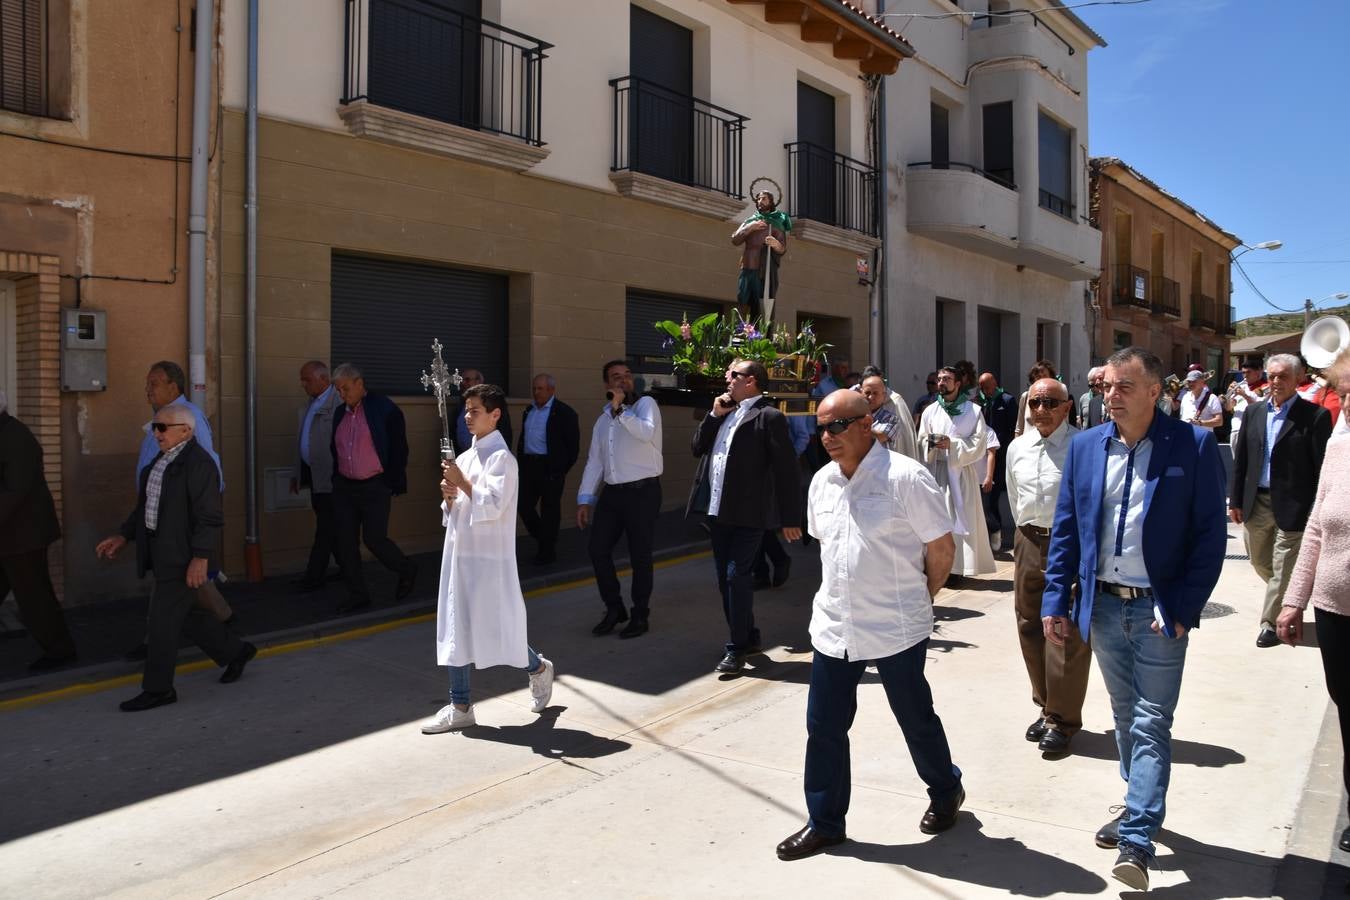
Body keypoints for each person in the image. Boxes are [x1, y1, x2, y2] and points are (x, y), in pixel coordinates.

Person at [1041, 346, 1226, 891]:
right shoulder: (1084, 448)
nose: (1111, 396)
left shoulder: (1192, 445)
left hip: (1158, 611)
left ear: (1155, 392)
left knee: (1151, 721)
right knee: (1125, 715)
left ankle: (1138, 838)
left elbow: (1209, 538)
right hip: (1101, 605)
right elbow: (1067, 528)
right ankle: (1136, 803)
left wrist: (1183, 607)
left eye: (1124, 386)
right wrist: (1056, 600)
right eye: (1106, 387)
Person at [775, 390, 963, 861]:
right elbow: (828, 546)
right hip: (835, 626)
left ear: (865, 424)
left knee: (915, 718)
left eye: (835, 426)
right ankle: (825, 823)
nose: (826, 437)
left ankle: (945, 790)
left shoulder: (906, 477)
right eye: (821, 429)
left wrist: (920, 600)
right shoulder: (822, 483)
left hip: (896, 627)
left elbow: (940, 549)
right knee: (824, 727)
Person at [96, 405, 258, 711]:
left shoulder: (200, 465)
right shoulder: (162, 461)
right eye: (154, 427)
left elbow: (209, 518)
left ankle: (158, 690)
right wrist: (124, 536)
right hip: (162, 553)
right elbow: (145, 509)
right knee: (187, 615)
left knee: (161, 623)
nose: (156, 433)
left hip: (182, 556)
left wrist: (200, 558)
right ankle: (236, 652)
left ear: (186, 431)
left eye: (163, 427)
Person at [422, 384, 554, 733]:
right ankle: (460, 704)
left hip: (488, 558)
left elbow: (494, 506)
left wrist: (461, 483)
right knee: (457, 627)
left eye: (475, 410)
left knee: (498, 626)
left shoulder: (503, 460)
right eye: (466, 410)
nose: (468, 416)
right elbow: (452, 512)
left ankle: (537, 667)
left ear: (495, 414)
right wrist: (448, 496)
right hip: (460, 554)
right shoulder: (464, 458)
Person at [1276, 349, 1350, 852]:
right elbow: (1317, 534)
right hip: (1335, 609)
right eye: (1346, 396)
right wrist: (1292, 601)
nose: (1347, 407)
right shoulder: (1339, 453)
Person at [687, 358, 802, 674]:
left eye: (733, 374)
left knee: (737, 577)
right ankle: (748, 636)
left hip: (750, 514)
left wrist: (791, 518)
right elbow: (697, 447)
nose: (727, 378)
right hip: (717, 511)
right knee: (726, 581)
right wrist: (713, 415)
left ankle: (736, 648)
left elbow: (787, 471)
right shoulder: (722, 412)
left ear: (750, 381)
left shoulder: (769, 417)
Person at [1005, 378, 1087, 757]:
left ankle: (1063, 719)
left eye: (1050, 402)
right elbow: (1014, 494)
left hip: (1067, 543)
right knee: (1028, 624)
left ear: (1067, 407)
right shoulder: (1017, 447)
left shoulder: (1083, 447)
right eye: (1035, 402)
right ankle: (1045, 706)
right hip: (1027, 540)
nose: (1041, 409)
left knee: (1064, 630)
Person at [1228, 353, 1332, 648]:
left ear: (1298, 379)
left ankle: (1270, 624)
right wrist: (1236, 499)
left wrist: (1317, 508)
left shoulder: (1315, 416)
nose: (1275, 382)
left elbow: (1321, 466)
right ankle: (1291, 594)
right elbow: (1243, 461)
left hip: (1295, 505)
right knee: (1261, 562)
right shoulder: (1254, 412)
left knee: (1283, 564)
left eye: (1283, 376)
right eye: (1272, 376)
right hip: (1255, 502)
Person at [137, 361, 231, 626]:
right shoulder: (164, 418)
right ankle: (223, 631)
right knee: (185, 587)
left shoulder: (187, 417)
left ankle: (158, 638)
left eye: (154, 384)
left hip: (178, 520)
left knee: (178, 583)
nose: (148, 390)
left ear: (173, 386)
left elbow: (208, 470)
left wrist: (199, 518)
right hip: (161, 515)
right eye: (147, 384)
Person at [577, 360, 663, 638]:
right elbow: (595, 462)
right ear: (606, 384)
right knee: (597, 549)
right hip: (612, 495)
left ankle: (641, 614)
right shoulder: (602, 421)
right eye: (616, 377)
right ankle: (614, 608)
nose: (623, 380)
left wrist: (622, 409)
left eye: (627, 376)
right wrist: (585, 498)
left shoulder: (645, 405)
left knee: (640, 555)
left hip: (643, 492)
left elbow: (645, 432)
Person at [330, 363, 417, 613]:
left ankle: (407, 569)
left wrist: (392, 481)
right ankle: (358, 595)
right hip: (345, 486)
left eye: (346, 388)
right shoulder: (340, 413)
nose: (342, 394)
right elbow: (335, 448)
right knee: (345, 542)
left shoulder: (384, 409)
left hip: (374, 486)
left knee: (374, 539)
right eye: (338, 390)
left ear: (359, 383)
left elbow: (400, 448)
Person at [0, 390, 78, 671]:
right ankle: (59, 648)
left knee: (34, 597)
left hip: (23, 536)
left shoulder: (15, 436)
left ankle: (60, 651)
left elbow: (15, 490)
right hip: (11, 535)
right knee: (33, 595)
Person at [917, 365, 994, 577]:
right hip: (937, 472)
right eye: (939, 379)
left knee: (961, 519)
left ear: (957, 384)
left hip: (961, 474)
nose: (941, 382)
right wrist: (930, 443)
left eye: (946, 379)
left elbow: (979, 443)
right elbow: (921, 439)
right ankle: (939, 566)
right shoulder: (930, 411)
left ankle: (958, 568)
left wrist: (953, 445)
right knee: (939, 520)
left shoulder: (973, 411)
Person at [291, 360, 344, 592]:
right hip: (314, 476)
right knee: (330, 526)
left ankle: (313, 577)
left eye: (307, 379)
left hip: (331, 479)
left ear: (324, 379)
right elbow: (305, 440)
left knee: (325, 528)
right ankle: (348, 567)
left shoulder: (338, 404)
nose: (303, 384)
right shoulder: (312, 403)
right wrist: (298, 473)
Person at [517, 374, 580, 566]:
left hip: (550, 467)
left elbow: (572, 448)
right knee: (524, 506)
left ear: (551, 390)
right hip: (529, 466)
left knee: (550, 510)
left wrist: (559, 470)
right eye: (535, 388)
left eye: (541, 388)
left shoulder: (564, 412)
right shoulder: (529, 411)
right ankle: (545, 539)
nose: (536, 392)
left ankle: (547, 551)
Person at [731, 190, 789, 321]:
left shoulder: (776, 223)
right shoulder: (750, 221)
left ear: (771, 202)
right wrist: (750, 227)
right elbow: (735, 239)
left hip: (762, 269)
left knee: (760, 301)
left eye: (764, 199)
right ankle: (742, 329)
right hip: (746, 266)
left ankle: (760, 332)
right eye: (759, 199)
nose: (760, 202)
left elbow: (782, 248)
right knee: (743, 297)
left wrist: (775, 244)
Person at [977, 372, 1018, 552]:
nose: (985, 391)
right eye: (982, 388)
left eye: (987, 387)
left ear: (994, 383)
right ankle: (987, 533)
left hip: (1000, 455)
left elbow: (1012, 428)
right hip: (981, 454)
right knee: (984, 499)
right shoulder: (978, 402)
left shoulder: (1007, 400)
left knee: (993, 495)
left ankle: (996, 531)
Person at [859, 369, 919, 460]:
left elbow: (879, 436)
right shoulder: (857, 412)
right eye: (867, 393)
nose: (871, 397)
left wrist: (854, 427)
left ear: (883, 394)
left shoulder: (894, 408)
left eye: (875, 393)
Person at [451, 368, 512, 456]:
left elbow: (505, 431)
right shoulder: (460, 404)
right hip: (465, 455)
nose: (463, 383)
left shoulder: (493, 403)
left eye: (467, 380)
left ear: (478, 381)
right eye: (462, 380)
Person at [1223, 358, 1267, 451]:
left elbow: (1260, 408)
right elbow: (1228, 408)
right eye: (1243, 373)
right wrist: (1228, 395)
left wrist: (1244, 395)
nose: (1245, 376)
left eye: (1248, 372)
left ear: (1259, 371)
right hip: (1237, 428)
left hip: (1254, 430)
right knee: (1237, 463)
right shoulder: (1241, 386)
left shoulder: (1266, 387)